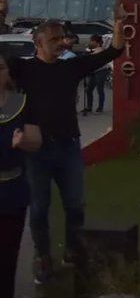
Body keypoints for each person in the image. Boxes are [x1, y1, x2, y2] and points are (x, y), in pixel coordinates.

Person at [10, 16, 124, 284]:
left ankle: (73, 250)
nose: (62, 43)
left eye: (63, 38)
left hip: (69, 146)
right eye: (54, 39)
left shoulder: (70, 67)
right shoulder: (22, 69)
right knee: (39, 208)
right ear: (37, 42)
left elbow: (114, 51)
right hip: (36, 150)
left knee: (75, 205)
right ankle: (43, 257)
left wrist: (118, 31)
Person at [0, 54, 42, 297]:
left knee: (6, 258)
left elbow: (36, 141)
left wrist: (24, 141)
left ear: (7, 74)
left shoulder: (23, 104)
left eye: (1, 68)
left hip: (11, 192)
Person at [81, 34, 110, 116]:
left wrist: (88, 53)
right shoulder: (93, 49)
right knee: (89, 89)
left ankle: (100, 108)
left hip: (101, 71)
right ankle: (89, 107)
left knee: (100, 89)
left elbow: (93, 58)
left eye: (92, 41)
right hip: (94, 71)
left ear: (96, 42)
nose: (90, 42)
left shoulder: (100, 50)